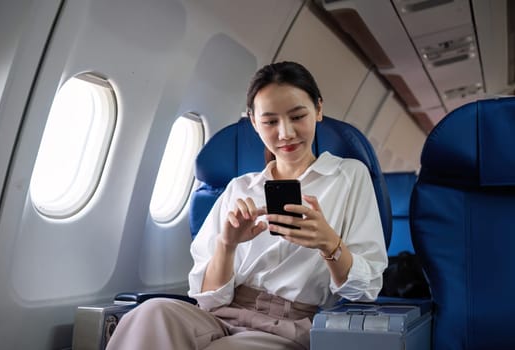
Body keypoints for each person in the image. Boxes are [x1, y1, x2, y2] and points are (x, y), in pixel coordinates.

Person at [106, 61, 387, 349]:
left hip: (289, 326)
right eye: (270, 122)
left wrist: (329, 244)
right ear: (253, 121)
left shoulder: (349, 176)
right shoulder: (239, 187)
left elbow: (365, 291)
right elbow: (209, 298)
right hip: (220, 316)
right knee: (149, 313)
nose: (285, 133)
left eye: (297, 116)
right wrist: (227, 245)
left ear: (318, 109)